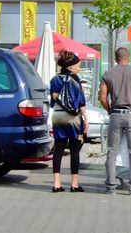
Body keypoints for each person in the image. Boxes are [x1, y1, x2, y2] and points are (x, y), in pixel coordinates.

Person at [100, 47, 131, 196]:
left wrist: (109, 110)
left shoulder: (108, 74)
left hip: (116, 114)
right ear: (129, 58)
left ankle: (111, 187)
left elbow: (102, 97)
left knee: (112, 152)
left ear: (116, 58)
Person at [49, 50, 88, 193]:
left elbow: (53, 100)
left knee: (58, 149)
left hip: (58, 117)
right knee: (75, 149)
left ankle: (57, 184)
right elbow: (81, 101)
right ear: (70, 67)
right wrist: (85, 119)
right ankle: (74, 184)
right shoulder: (75, 79)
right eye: (78, 65)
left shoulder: (54, 79)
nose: (79, 67)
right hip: (73, 118)